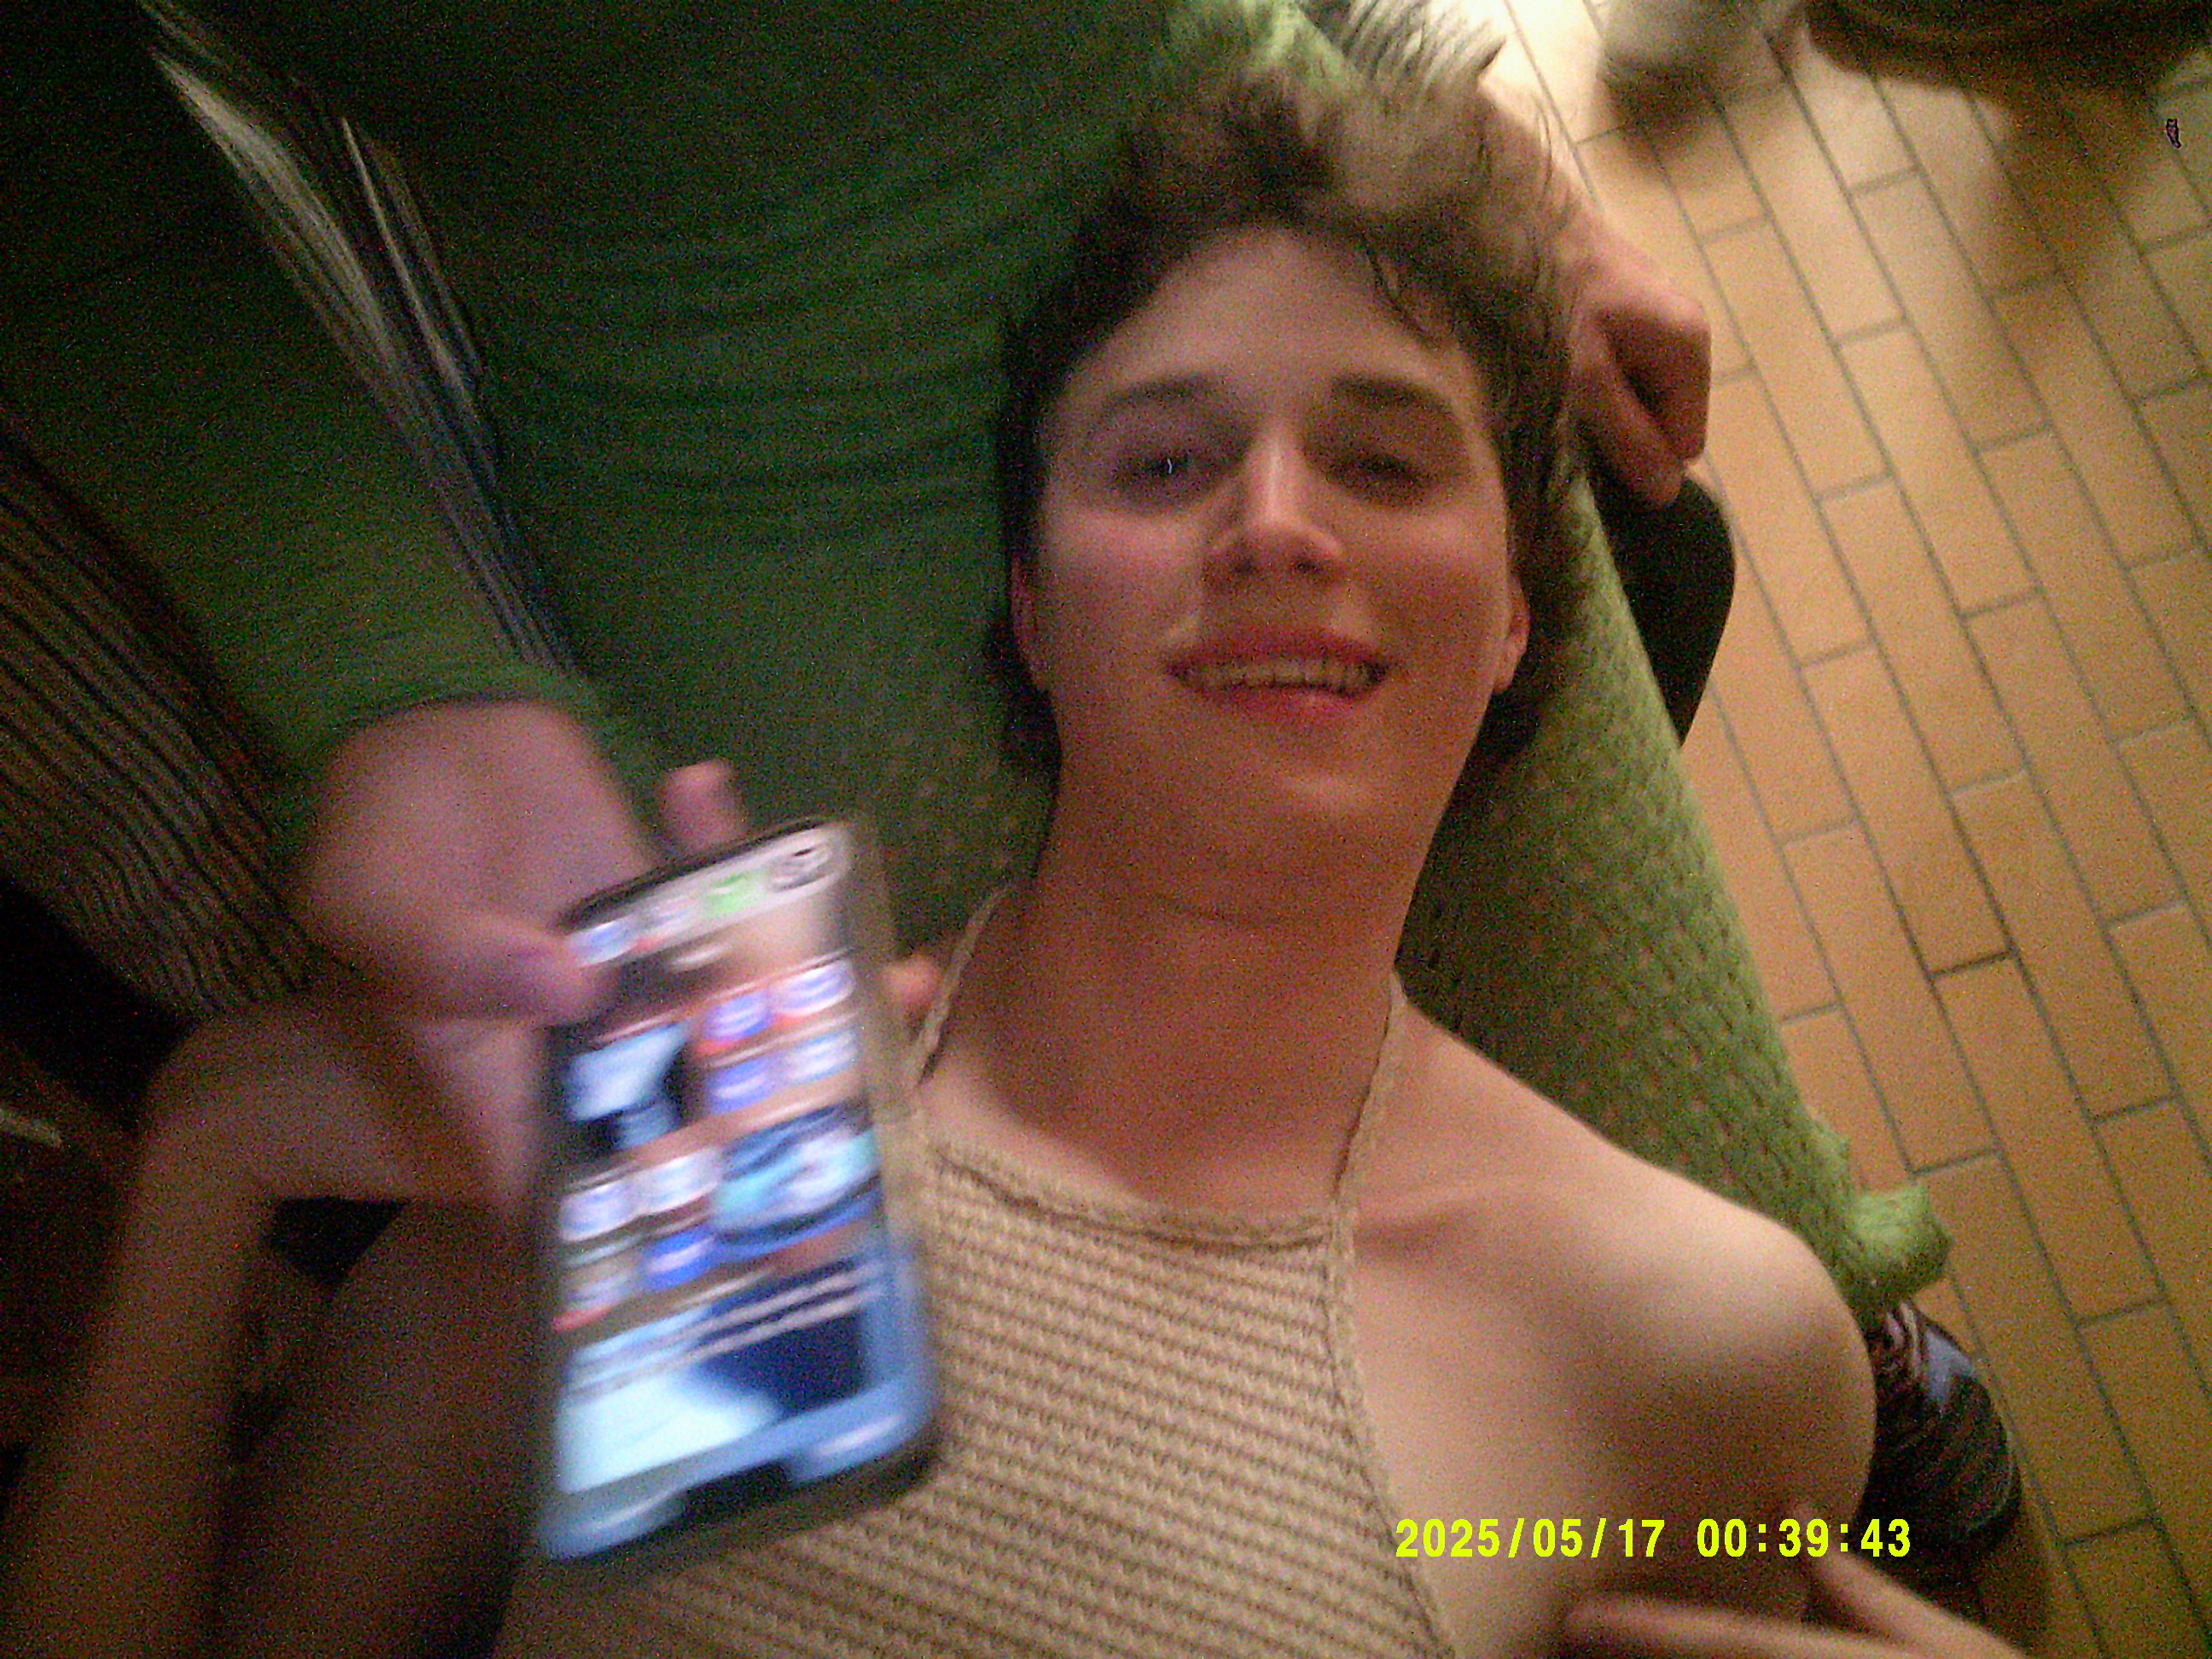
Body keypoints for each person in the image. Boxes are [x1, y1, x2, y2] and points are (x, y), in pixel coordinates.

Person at [3, 47, 2027, 1659]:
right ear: (1034, 614)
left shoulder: (1699, 1342)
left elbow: (1749, 1564)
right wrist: (208, 1163)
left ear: (1512, 616)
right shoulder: (715, 1154)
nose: (1275, 523)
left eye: (1384, 458)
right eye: (1165, 459)